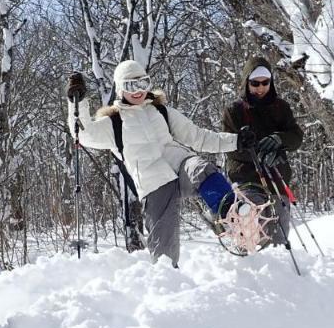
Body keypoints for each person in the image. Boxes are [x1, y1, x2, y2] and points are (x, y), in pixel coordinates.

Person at [66, 60, 251, 265]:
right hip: (153, 181)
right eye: (130, 86)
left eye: (142, 84)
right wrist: (79, 102)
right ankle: (168, 282)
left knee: (202, 169)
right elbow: (82, 134)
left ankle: (230, 215)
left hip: (179, 163)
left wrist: (236, 141)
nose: (138, 91)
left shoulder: (162, 112)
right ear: (120, 89)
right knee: (164, 251)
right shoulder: (113, 123)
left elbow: (198, 137)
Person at [221, 57, 304, 245]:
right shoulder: (234, 110)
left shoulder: (280, 107)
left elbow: (296, 136)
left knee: (278, 237)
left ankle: (280, 270)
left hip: (277, 177)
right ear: (246, 82)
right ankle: (250, 266)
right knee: (252, 230)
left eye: (265, 83)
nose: (260, 88)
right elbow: (228, 145)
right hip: (247, 179)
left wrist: (279, 140)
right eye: (255, 83)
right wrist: (256, 152)